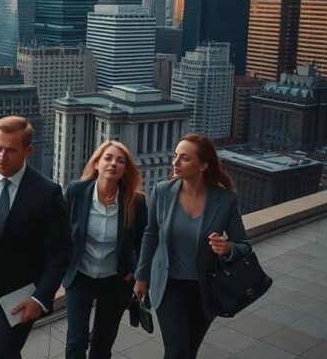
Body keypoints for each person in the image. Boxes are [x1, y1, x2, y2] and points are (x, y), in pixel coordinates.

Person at [133, 133, 251, 359]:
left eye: (184, 158)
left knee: (189, 352)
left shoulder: (225, 200)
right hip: (169, 285)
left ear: (204, 164)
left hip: (207, 289)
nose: (175, 162)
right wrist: (142, 276)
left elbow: (243, 245)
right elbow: (151, 235)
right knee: (176, 350)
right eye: (175, 156)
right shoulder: (162, 191)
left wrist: (227, 249)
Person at [0, 116, 72, 359]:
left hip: (21, 298)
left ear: (28, 151)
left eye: (11, 150)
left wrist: (40, 298)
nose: (2, 157)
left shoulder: (47, 192)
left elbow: (62, 251)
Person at [62, 141, 147, 359]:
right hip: (80, 276)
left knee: (102, 344)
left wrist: (137, 272)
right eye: (108, 158)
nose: (114, 163)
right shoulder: (76, 191)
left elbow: (144, 240)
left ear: (125, 170)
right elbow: (59, 232)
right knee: (76, 341)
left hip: (116, 279)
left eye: (120, 161)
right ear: (97, 163)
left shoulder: (134, 201)